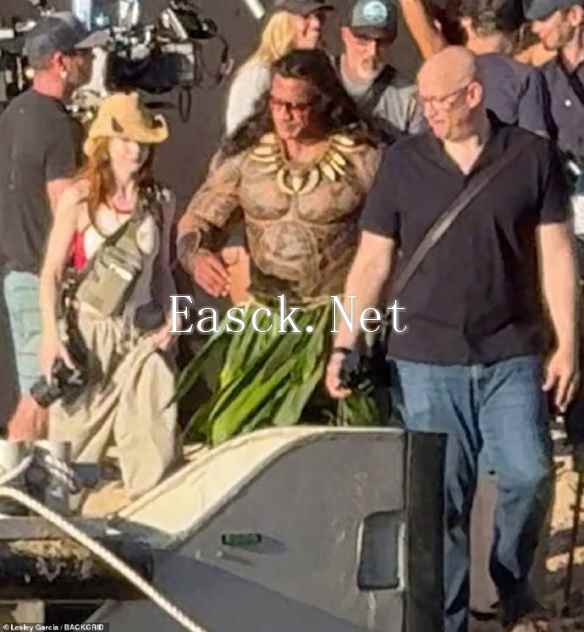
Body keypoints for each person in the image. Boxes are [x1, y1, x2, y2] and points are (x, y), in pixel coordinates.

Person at [326, 46, 579, 632]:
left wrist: (568, 342)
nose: (431, 113)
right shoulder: (402, 163)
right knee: (441, 503)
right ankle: (446, 620)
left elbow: (557, 253)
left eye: (442, 102)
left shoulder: (530, 156)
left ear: (474, 95)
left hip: (511, 350)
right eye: (424, 102)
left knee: (529, 475)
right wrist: (345, 341)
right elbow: (372, 261)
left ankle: (512, 587)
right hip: (425, 356)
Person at [177, 49, 383, 446]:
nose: (284, 115)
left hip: (335, 320)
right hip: (266, 322)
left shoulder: (364, 159)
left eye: (296, 106)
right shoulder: (247, 159)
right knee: (232, 433)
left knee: (342, 440)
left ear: (322, 102)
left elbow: (397, 232)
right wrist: (197, 255)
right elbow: (198, 221)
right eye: (276, 103)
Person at [39, 92, 178, 504]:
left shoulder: (161, 201)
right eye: (125, 140)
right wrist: (51, 336)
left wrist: (174, 319)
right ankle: (60, 527)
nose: (135, 150)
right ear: (106, 142)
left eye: (142, 141)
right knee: (72, 449)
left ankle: (150, 520)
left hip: (140, 335)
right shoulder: (79, 197)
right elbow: (51, 272)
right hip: (89, 335)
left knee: (153, 437)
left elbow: (163, 271)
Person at [0, 13, 104, 441]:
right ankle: (13, 473)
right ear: (61, 62)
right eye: (84, 54)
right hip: (42, 276)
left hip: (16, 271)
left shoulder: (14, 113)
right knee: (42, 396)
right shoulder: (59, 126)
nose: (91, 61)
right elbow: (65, 205)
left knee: (39, 392)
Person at [225, 0, 333, 135]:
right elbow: (239, 137)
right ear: (282, 22)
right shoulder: (258, 75)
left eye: (320, 16)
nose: (317, 24)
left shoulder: (324, 71)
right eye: (305, 16)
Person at [337, 0, 425, 138]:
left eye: (382, 41)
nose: (373, 51)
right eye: (363, 40)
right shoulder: (319, 75)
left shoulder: (409, 98)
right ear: (345, 34)